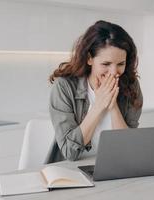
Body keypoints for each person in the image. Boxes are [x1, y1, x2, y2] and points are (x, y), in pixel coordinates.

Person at [46, 20, 143, 164]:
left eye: (121, 64)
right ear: (89, 58)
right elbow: (69, 153)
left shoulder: (131, 86)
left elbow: (127, 150)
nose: (114, 72)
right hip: (72, 170)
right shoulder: (64, 87)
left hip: (114, 167)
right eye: (106, 64)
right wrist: (98, 106)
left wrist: (113, 105)